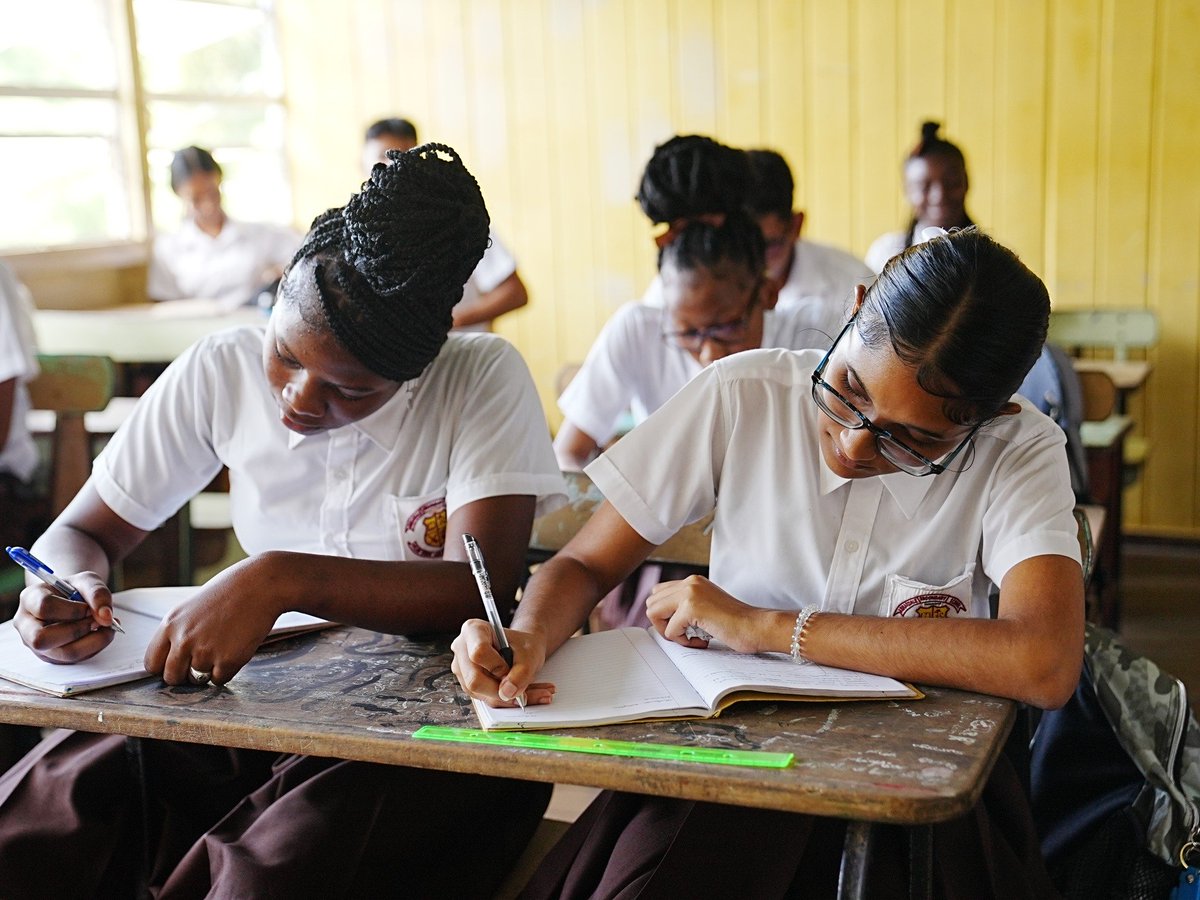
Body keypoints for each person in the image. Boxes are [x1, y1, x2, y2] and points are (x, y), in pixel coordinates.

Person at [1, 144, 566, 898]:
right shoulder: (220, 369)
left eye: (351, 391)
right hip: (253, 699)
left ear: (415, 369)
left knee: (264, 875)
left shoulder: (478, 379)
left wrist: (282, 576)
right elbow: (84, 533)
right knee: (47, 817)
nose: (300, 399)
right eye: (285, 356)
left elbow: (482, 586)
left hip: (430, 731)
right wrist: (63, 586)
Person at [453, 228, 1085, 898]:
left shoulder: (1021, 449)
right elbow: (583, 563)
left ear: (995, 414)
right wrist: (529, 633)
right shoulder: (742, 393)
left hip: (919, 789)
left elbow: (1043, 662)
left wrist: (768, 628)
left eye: (913, 439)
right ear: (854, 308)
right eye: (848, 388)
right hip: (733, 767)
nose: (851, 444)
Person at [554, 135, 833, 474]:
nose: (709, 353)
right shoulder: (640, 329)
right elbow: (566, 455)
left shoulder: (816, 334)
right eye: (687, 334)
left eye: (729, 327)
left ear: (766, 294)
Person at [640, 147, 871, 327]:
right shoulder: (683, 286)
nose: (755, 258)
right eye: (743, 244)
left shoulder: (851, 282)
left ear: (795, 226)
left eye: (770, 245)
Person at [362, 117, 529, 332]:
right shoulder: (356, 234)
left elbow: (514, 293)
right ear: (361, 161)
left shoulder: (457, 220)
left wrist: (446, 322)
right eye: (383, 156)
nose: (393, 166)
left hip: (464, 354)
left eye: (404, 157)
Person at [147, 146, 302, 308]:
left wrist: (281, 273)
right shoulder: (168, 249)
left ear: (219, 180)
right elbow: (163, 306)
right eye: (196, 199)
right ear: (178, 194)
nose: (207, 205)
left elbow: (303, 252)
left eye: (212, 193)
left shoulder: (258, 235)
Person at [865, 121, 975, 273]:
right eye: (924, 187)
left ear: (967, 182)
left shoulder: (993, 257)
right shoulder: (885, 253)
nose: (939, 195)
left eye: (951, 182)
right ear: (907, 191)